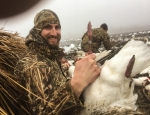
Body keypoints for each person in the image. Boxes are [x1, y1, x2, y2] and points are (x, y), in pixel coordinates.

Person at [14, 9, 100, 115]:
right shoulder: (33, 65)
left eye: (57, 27)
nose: (54, 33)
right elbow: (46, 112)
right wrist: (76, 84)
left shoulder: (48, 56)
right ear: (37, 31)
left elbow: (51, 77)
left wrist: (67, 67)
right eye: (48, 27)